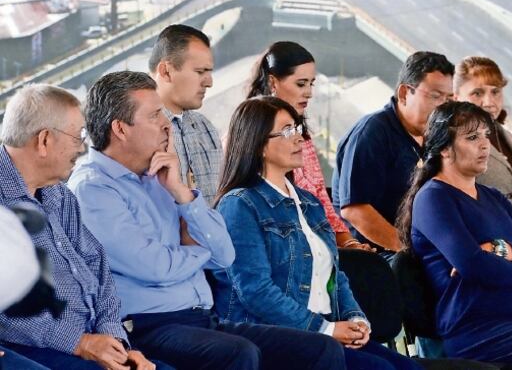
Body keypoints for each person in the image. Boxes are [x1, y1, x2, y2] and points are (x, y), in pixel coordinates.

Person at [69, 71, 343, 370]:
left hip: (202, 318)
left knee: (319, 349)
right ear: (120, 129)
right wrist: (199, 251)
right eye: (154, 116)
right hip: (145, 326)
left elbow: (225, 254)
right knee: (237, 353)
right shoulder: (93, 187)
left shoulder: (161, 175)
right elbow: (156, 267)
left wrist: (182, 194)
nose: (165, 124)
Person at [212, 96, 418, 369]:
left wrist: (356, 319)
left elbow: (335, 276)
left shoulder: (309, 202)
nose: (300, 139)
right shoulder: (240, 204)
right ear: (258, 143)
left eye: (298, 129)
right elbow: (255, 291)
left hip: (324, 328)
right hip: (277, 335)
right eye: (287, 131)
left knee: (410, 367)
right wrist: (326, 329)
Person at [397, 101, 512, 369]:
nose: (485, 145)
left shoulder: (493, 196)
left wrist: (501, 248)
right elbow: (472, 264)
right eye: (472, 137)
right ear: (445, 148)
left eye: (486, 135)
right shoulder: (434, 197)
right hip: (477, 326)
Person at [0, 84, 161, 370]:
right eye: (78, 136)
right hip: (34, 349)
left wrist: (113, 340)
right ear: (45, 140)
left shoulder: (60, 194)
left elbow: (97, 267)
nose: (82, 147)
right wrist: (81, 342)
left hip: (92, 342)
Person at [246, 41, 369, 250]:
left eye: (311, 84)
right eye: (301, 84)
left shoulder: (303, 138)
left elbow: (322, 199)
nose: (309, 93)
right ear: (273, 82)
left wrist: (349, 243)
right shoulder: (245, 136)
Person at [334, 51, 454, 252]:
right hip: (379, 256)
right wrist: (411, 252)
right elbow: (355, 209)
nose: (443, 107)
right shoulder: (373, 132)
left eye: (448, 99)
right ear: (404, 93)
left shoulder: (432, 136)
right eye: (435, 96)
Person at [149, 24, 223, 202]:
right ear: (166, 71)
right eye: (200, 72)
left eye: (209, 72)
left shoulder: (205, 126)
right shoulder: (139, 130)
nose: (209, 82)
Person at [454, 56, 512, 219]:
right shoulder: (450, 145)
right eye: (477, 93)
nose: (489, 102)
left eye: (495, 92)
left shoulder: (511, 139)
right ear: (456, 98)